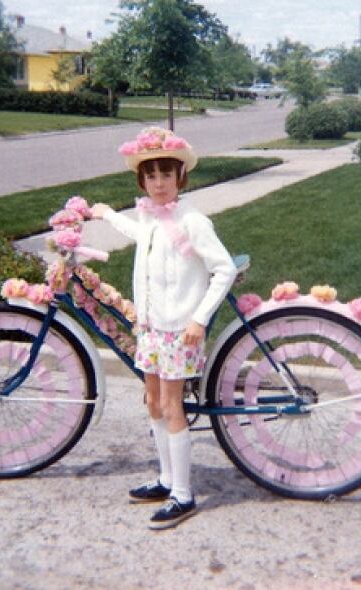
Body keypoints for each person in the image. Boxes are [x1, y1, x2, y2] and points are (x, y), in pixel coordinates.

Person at [91, 126, 237, 530]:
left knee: (172, 406)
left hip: (179, 330)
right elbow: (139, 233)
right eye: (150, 176)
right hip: (152, 328)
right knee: (152, 402)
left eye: (166, 175)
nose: (158, 184)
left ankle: (184, 494)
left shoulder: (192, 221)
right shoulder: (151, 219)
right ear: (142, 180)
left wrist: (199, 318)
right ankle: (166, 478)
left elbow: (223, 269)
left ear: (180, 178)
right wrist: (106, 215)